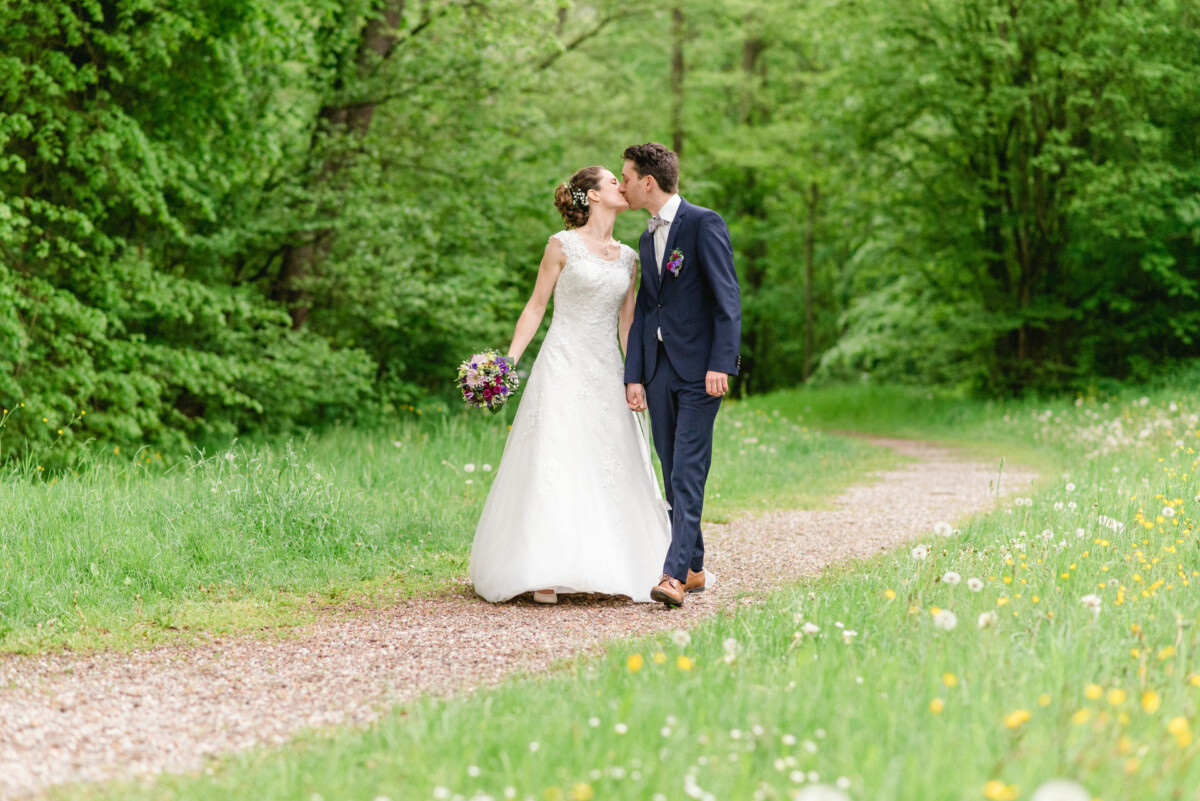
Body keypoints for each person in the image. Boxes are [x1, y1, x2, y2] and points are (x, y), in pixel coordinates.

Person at [468, 166, 671, 604]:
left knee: (606, 458)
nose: (622, 184)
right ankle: (543, 568)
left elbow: (628, 324)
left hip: (604, 368)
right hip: (560, 362)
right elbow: (536, 306)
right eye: (612, 181)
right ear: (593, 196)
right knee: (554, 457)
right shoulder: (561, 246)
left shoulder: (629, 257)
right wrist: (507, 364)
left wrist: (634, 376)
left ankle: (605, 562)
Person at [620, 142, 741, 608]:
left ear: (648, 181)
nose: (623, 185)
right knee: (672, 471)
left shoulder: (703, 223)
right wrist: (635, 374)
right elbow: (648, 310)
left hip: (701, 372)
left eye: (627, 177)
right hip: (658, 371)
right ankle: (694, 567)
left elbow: (726, 300)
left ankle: (671, 577)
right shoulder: (646, 237)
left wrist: (721, 363)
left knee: (689, 470)